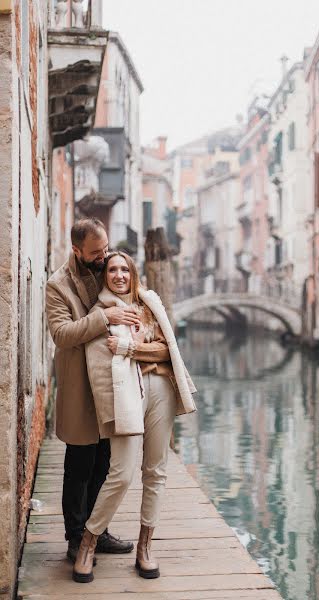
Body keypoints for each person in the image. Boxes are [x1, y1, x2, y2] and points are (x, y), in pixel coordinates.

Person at [72, 251, 197, 583]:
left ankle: (145, 547)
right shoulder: (100, 313)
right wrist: (148, 348)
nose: (119, 274)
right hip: (124, 395)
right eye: (112, 269)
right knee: (122, 474)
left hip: (161, 393)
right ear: (105, 276)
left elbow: (169, 350)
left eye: (125, 269)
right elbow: (101, 362)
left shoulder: (149, 304)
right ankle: (88, 542)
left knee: (155, 471)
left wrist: (131, 349)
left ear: (134, 273)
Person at [46, 219, 139, 563]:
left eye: (105, 249)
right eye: (96, 253)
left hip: (109, 384)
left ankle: (96, 533)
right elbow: (62, 334)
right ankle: (75, 539)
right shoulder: (57, 285)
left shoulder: (103, 268)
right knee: (79, 467)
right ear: (77, 250)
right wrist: (106, 317)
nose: (103, 258)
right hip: (78, 388)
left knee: (105, 462)